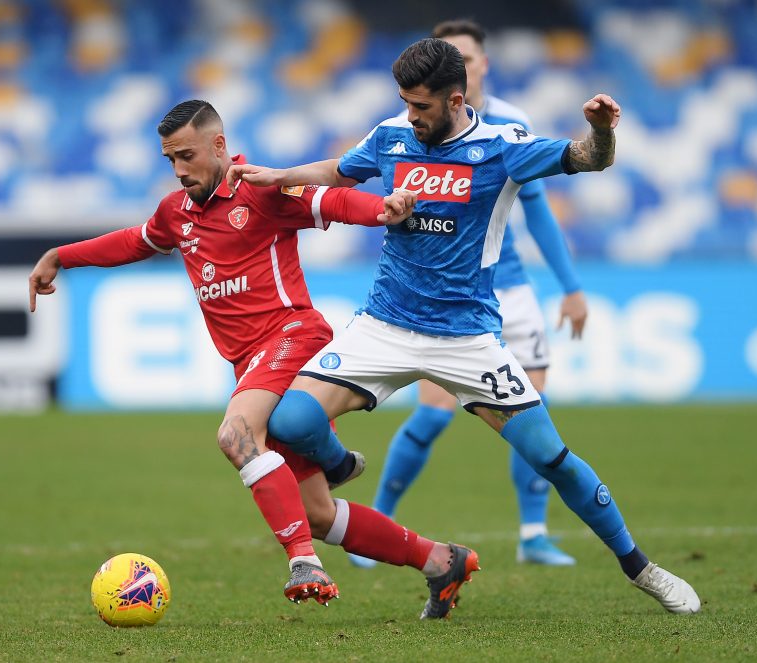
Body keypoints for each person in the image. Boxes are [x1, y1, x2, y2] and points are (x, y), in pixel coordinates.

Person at [228, 39, 701, 614]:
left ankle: (641, 567)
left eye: (421, 106)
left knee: (551, 458)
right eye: (404, 102)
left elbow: (590, 158)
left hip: (466, 337)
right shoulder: (392, 135)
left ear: (455, 100)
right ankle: (341, 464)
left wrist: (603, 131)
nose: (410, 116)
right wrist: (278, 176)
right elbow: (339, 171)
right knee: (291, 419)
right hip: (385, 323)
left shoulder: (502, 148)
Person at [28, 99, 479, 618]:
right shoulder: (177, 214)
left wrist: (382, 210)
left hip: (293, 334)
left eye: (187, 156)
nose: (179, 170)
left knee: (236, 435)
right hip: (252, 362)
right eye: (170, 159)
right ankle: (440, 560)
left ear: (219, 146)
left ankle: (303, 562)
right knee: (318, 514)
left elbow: (328, 202)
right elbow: (135, 242)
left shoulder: (261, 189)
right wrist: (62, 256)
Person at [350, 19, 587, 570]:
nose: (464, 63)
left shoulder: (512, 126)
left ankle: (533, 534)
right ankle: (378, 525)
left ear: (481, 65)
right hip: (447, 301)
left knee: (534, 417)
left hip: (512, 287)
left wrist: (571, 286)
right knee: (432, 417)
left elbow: (536, 208)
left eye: (469, 56)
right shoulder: (410, 129)